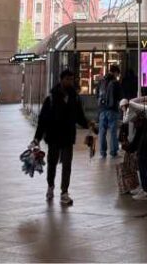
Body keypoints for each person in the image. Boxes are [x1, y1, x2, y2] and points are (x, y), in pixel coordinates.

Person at [33, 69, 95, 206]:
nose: (69, 82)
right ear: (61, 80)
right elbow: (43, 119)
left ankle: (64, 192)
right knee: (52, 164)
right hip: (54, 136)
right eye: (67, 79)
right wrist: (37, 138)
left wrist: (88, 124)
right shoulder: (51, 97)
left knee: (67, 165)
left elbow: (79, 116)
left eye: (71, 79)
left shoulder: (75, 97)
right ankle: (50, 187)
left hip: (68, 137)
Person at [97, 63, 122, 159]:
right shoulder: (115, 83)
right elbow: (120, 96)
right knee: (113, 131)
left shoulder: (101, 81)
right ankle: (113, 151)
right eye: (117, 74)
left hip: (102, 109)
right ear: (115, 72)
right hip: (112, 110)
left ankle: (103, 152)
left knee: (102, 131)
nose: (117, 76)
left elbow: (97, 94)